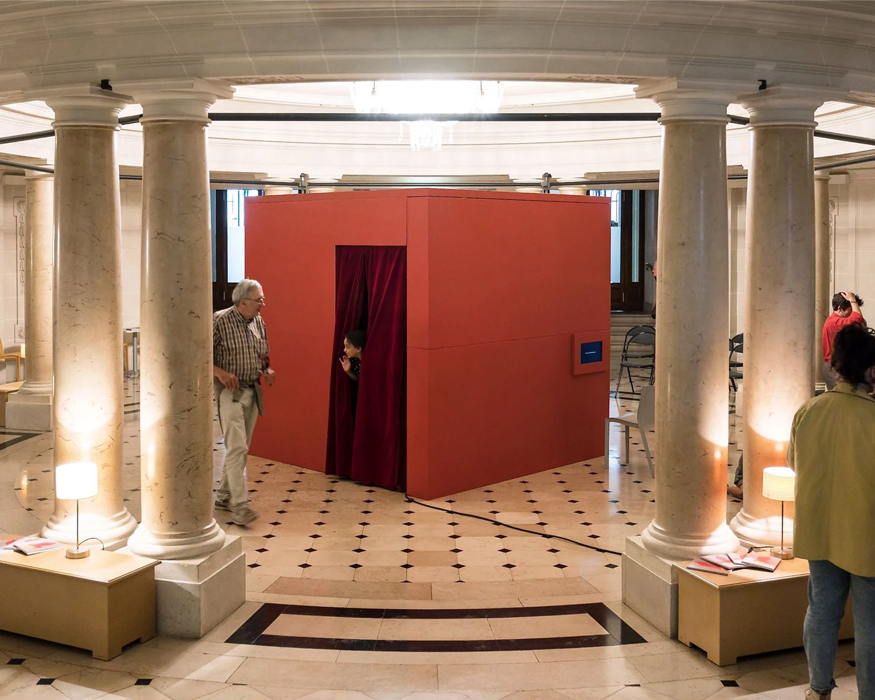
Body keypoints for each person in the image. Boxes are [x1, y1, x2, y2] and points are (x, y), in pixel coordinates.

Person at [788, 324, 875, 700]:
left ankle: (818, 689)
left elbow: (795, 463)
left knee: (821, 612)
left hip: (819, 530)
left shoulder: (809, 410)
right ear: (871, 370)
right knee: (870, 626)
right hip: (865, 534)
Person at [213, 279, 275, 526]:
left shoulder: (259, 322)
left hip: (252, 391)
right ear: (242, 302)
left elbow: (263, 355)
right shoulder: (220, 321)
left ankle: (225, 496)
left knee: (241, 447)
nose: (263, 304)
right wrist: (220, 372)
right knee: (237, 447)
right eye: (259, 300)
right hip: (230, 394)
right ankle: (240, 507)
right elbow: (201, 356)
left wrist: (267, 370)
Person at [822, 291, 865, 390]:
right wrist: (853, 301)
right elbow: (858, 319)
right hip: (835, 369)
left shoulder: (838, 321)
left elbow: (861, 325)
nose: (852, 313)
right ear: (840, 309)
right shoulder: (834, 322)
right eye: (851, 310)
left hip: (839, 366)